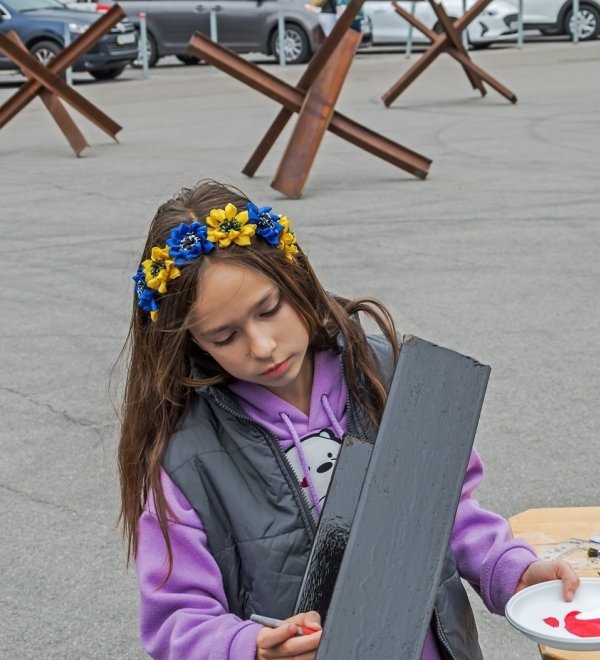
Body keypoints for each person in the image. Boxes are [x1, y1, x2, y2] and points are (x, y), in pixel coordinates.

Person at [118, 179, 579, 660]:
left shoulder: (393, 374)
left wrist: (513, 571)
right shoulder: (185, 458)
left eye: (269, 309)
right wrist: (248, 647)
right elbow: (176, 619)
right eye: (224, 335)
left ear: (294, 275)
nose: (262, 345)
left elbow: (447, 509)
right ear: (192, 341)